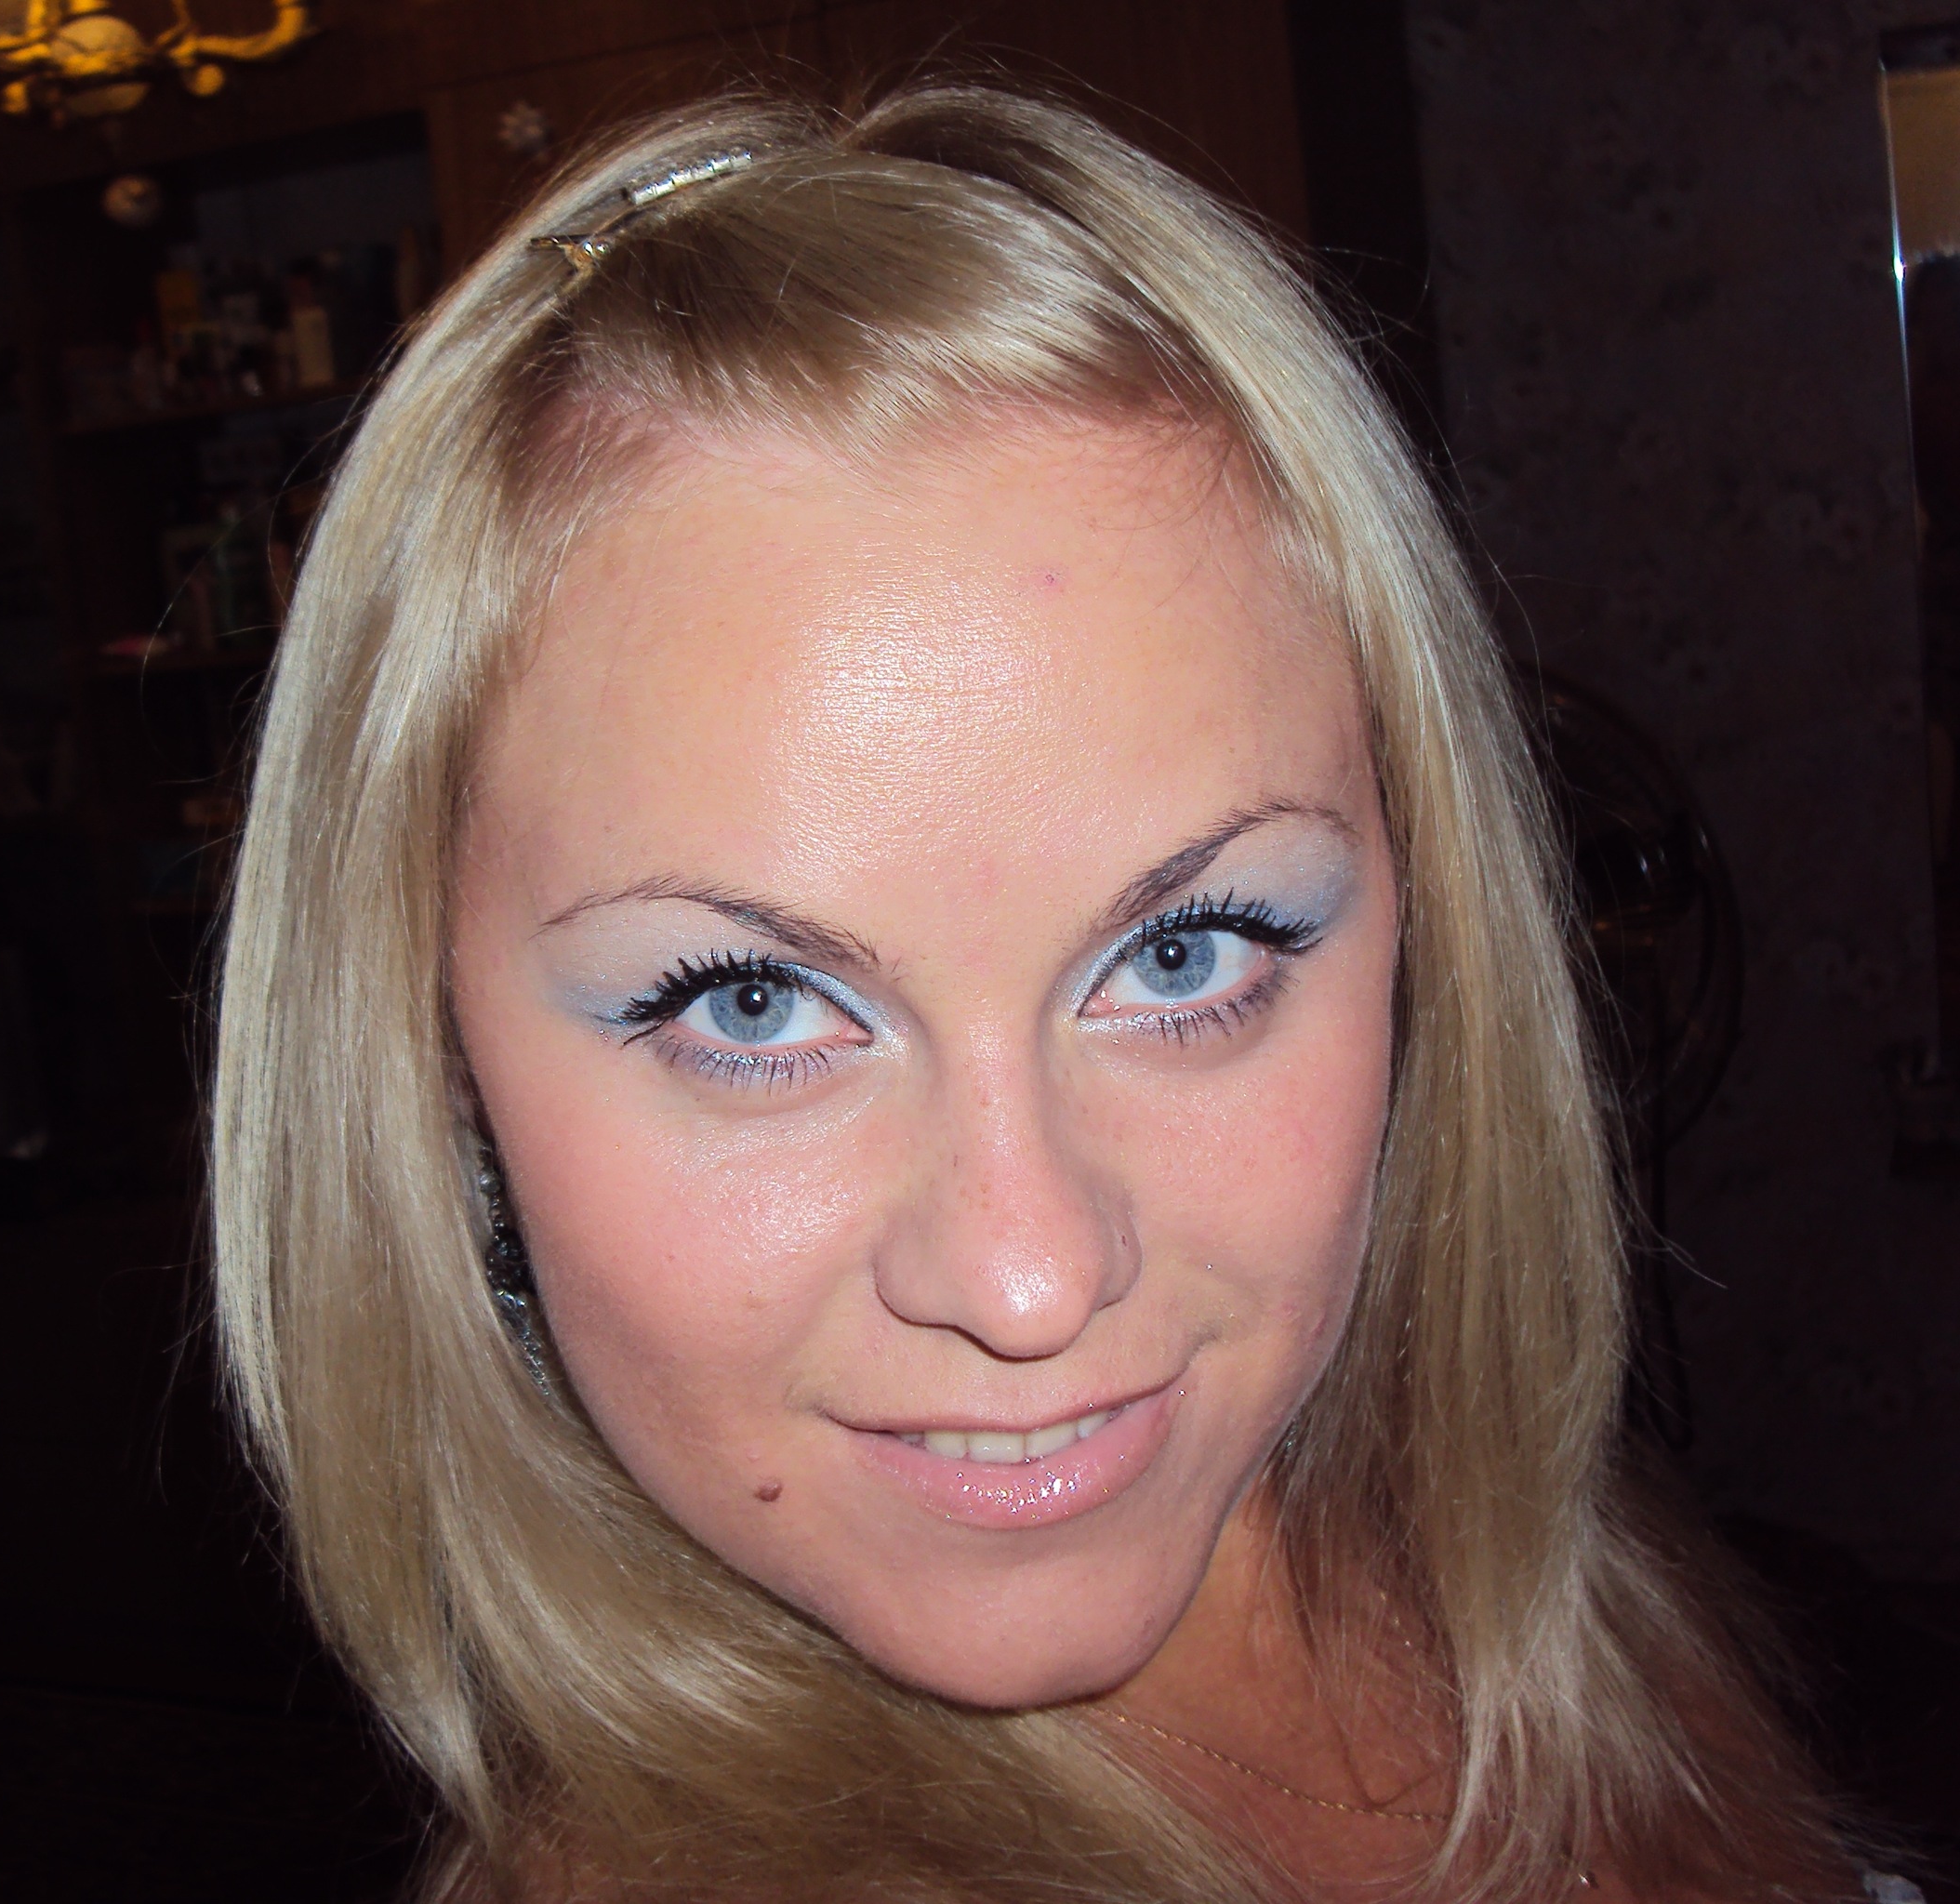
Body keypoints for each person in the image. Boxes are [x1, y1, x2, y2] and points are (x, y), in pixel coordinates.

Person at [212, 84, 1867, 1902]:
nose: (1030, 1280)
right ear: (431, 1060)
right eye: (750, 1006)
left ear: (1423, 928)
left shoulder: (1536, 1578)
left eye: (1184, 953)